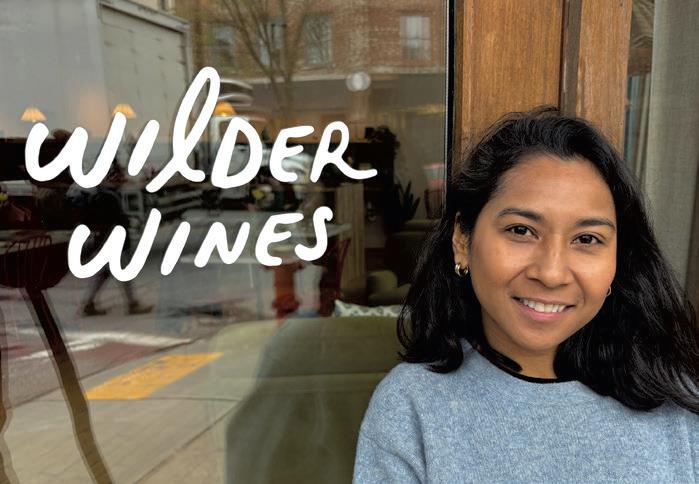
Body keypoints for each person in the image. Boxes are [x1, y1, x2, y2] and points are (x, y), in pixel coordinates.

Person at [353, 108, 698, 483]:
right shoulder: (412, 408)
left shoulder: (678, 402)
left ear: (618, 260)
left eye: (587, 239)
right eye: (521, 230)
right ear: (463, 240)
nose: (551, 273)